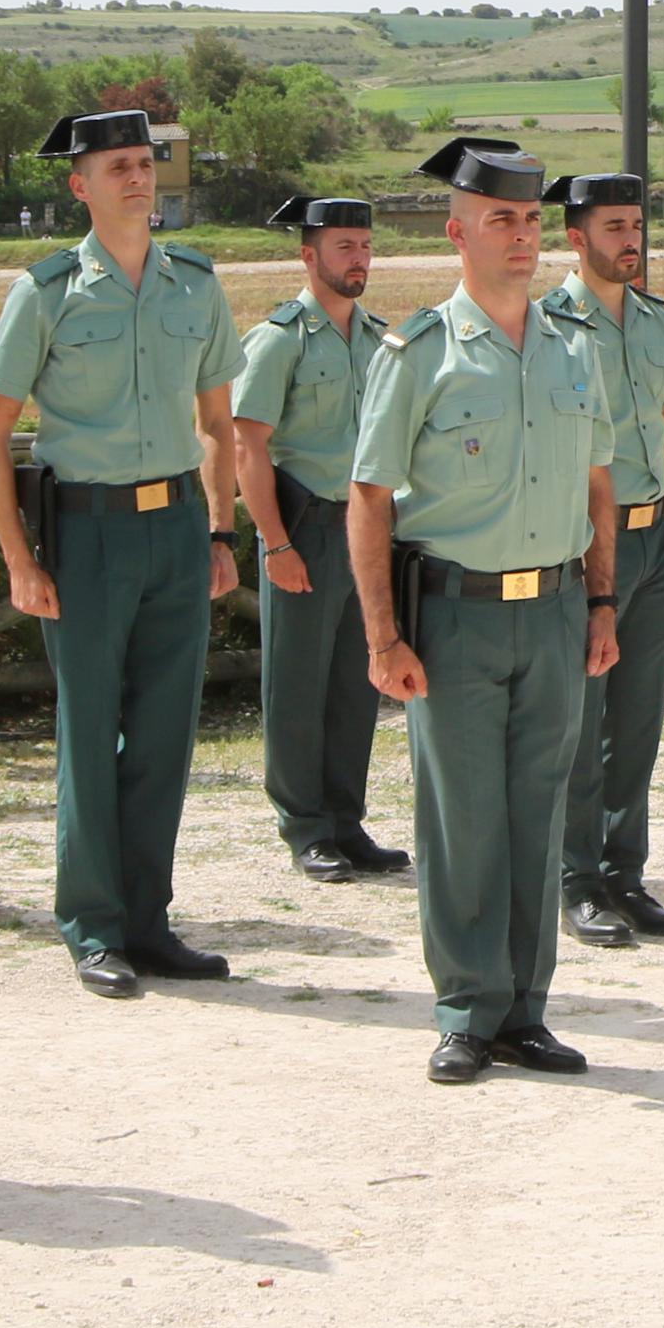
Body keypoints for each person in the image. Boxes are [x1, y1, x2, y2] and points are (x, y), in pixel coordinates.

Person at [349, 139, 617, 1083]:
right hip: (454, 617)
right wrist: (384, 635)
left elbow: (598, 489)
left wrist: (602, 603)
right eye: (501, 219)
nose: (521, 235)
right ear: (456, 233)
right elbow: (370, 497)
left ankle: (523, 1012)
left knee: (536, 815)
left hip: (551, 609)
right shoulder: (417, 351)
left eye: (533, 219)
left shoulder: (573, 347)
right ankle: (465, 1007)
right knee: (463, 819)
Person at [0, 107, 243, 1000]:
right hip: (84, 532)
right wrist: (19, 559)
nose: (136, 177)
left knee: (165, 733)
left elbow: (215, 424)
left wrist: (216, 528)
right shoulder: (45, 292)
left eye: (144, 162)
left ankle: (148, 919)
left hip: (173, 527)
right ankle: (92, 924)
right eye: (116, 165)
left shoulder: (195, 284)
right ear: (78, 185)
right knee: (91, 731)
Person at [229, 195, 403, 887]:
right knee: (297, 685)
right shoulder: (277, 339)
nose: (357, 258)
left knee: (355, 686)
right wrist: (274, 543)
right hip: (303, 529)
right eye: (342, 246)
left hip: (367, 534)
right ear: (309, 255)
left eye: (363, 245)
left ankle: (345, 819)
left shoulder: (382, 338)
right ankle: (304, 825)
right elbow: (249, 448)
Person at [545, 172, 664, 948]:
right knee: (582, 719)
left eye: (635, 224)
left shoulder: (655, 320)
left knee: (638, 718)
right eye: (612, 226)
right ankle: (575, 878)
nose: (629, 239)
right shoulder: (547, 325)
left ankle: (624, 871)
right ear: (576, 237)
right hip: (583, 546)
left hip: (654, 540)